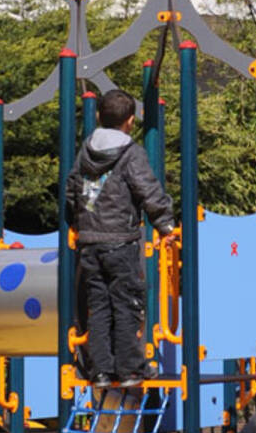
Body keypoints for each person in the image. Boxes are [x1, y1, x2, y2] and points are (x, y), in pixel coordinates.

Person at [66, 90, 175, 388]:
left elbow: (72, 189)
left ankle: (100, 370)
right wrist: (165, 225)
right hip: (120, 241)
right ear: (130, 121)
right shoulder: (131, 153)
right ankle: (130, 369)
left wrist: (77, 222)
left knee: (99, 305)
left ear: (98, 116)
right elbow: (147, 190)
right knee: (127, 303)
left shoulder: (85, 151)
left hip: (90, 242)